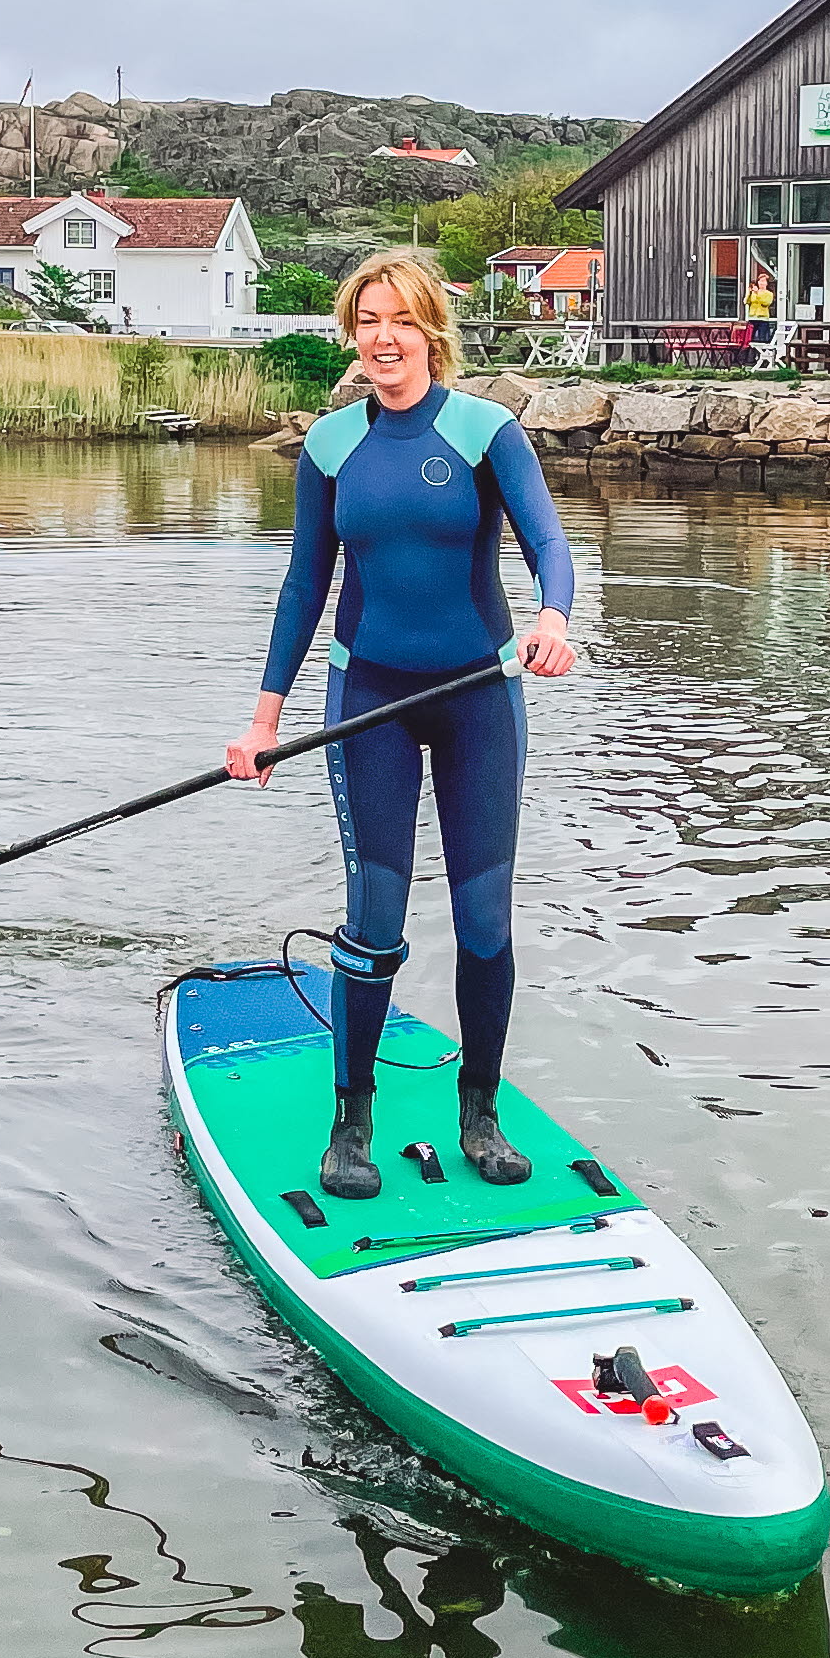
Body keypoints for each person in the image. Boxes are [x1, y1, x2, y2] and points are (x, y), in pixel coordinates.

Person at [227, 252, 576, 1201]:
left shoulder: (485, 431)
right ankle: (352, 1121)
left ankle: (480, 1112)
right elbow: (305, 586)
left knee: (483, 924)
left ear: (432, 331)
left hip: (479, 700)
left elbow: (549, 539)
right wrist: (263, 722)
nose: (383, 337)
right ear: (354, 333)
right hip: (367, 702)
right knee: (374, 924)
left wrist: (553, 617)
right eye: (368, 320)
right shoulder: (332, 446)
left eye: (401, 320)